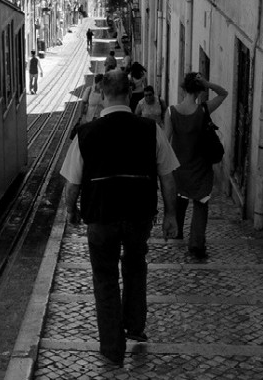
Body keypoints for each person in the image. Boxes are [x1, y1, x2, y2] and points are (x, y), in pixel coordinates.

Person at [60, 70, 179, 366]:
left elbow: (72, 184)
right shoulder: (150, 129)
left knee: (105, 279)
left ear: (103, 96)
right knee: (137, 268)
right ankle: (135, 327)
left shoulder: (86, 133)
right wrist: (171, 215)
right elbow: (167, 177)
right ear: (129, 94)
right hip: (139, 215)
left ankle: (113, 349)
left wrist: (71, 211)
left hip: (100, 217)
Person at [164, 72, 228, 258]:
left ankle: (176, 232)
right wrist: (207, 83)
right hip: (201, 168)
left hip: (179, 167)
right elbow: (223, 93)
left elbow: (167, 143)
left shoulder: (171, 112)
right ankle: (196, 244)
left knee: (180, 199)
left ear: (182, 89)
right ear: (200, 91)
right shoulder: (203, 110)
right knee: (201, 205)